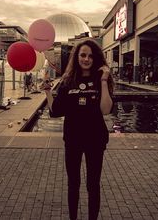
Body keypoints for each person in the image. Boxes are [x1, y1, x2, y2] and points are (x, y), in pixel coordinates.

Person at [41, 39, 113, 220]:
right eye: (83, 55)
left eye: (90, 56)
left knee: (93, 185)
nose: (86, 59)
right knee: (73, 184)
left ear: (95, 58)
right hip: (73, 139)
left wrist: (104, 80)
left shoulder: (100, 79)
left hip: (96, 139)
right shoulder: (68, 81)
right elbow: (56, 111)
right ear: (77, 57)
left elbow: (106, 110)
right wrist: (48, 91)